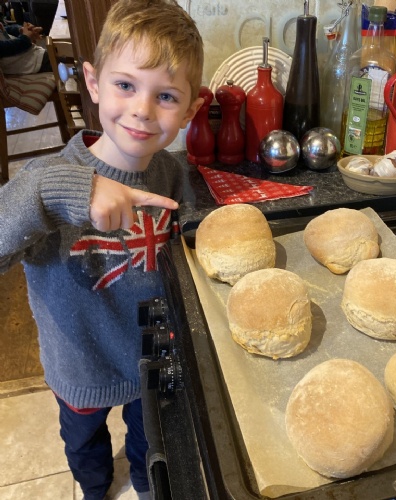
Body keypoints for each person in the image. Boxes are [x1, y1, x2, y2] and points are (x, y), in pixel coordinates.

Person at [0, 0, 204, 498]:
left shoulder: (172, 173)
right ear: (92, 82)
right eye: (125, 85)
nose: (143, 110)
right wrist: (57, 192)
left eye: (166, 96)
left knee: (150, 440)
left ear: (191, 109)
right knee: (84, 444)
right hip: (80, 365)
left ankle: (145, 485)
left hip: (152, 357)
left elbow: (189, 251)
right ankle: (93, 489)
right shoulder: (46, 180)